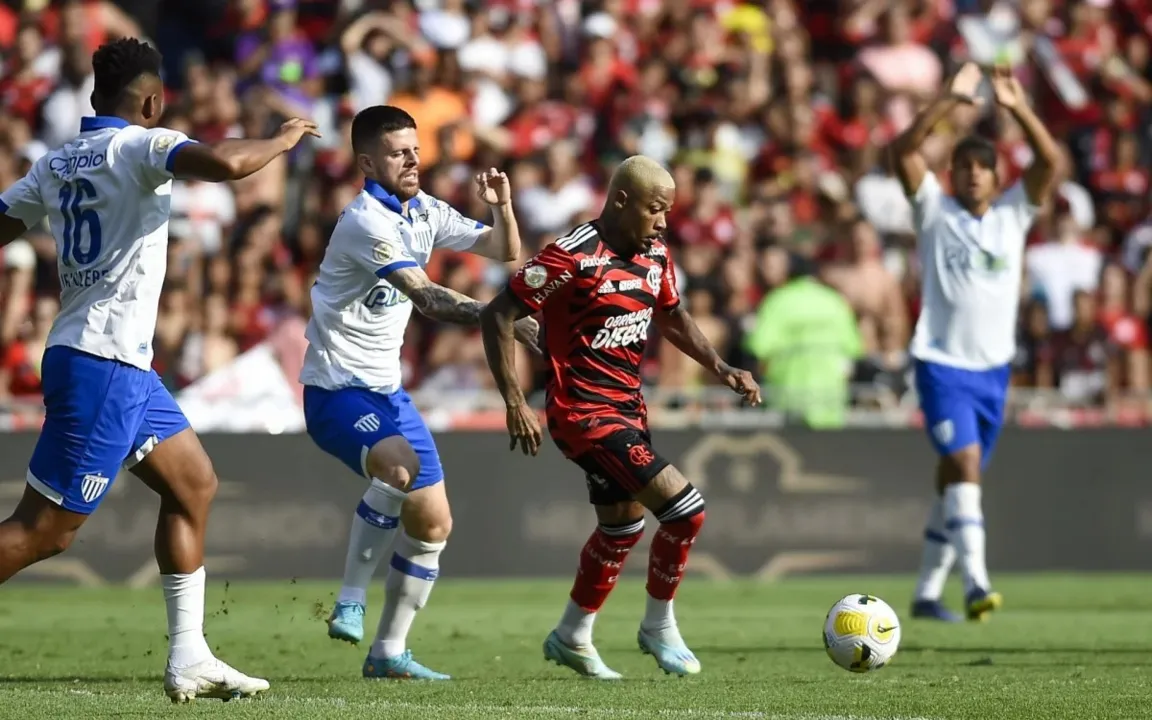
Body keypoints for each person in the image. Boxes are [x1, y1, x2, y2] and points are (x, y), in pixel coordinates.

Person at [0, 38, 319, 702]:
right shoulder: (142, 146)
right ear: (151, 101)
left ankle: (190, 656)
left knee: (194, 484)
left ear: (95, 96)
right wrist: (285, 137)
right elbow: (228, 163)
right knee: (43, 533)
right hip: (103, 363)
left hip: (113, 362)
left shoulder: (55, 163)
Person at [479, 155, 761, 679]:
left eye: (669, 211)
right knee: (685, 510)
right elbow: (499, 313)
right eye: (655, 209)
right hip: (583, 413)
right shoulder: (572, 256)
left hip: (628, 409)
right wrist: (515, 401)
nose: (663, 221)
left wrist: (721, 366)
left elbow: (671, 313)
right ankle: (658, 626)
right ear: (621, 201)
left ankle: (571, 634)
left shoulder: (655, 252)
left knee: (622, 527)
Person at [299, 105, 539, 680]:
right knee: (398, 469)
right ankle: (351, 598)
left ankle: (388, 653)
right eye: (398, 151)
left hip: (388, 393)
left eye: (415, 148)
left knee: (433, 524)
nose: (412, 159)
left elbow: (502, 251)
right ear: (366, 162)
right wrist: (498, 317)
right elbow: (429, 298)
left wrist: (502, 206)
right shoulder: (364, 222)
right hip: (336, 389)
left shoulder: (424, 210)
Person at [890, 63, 1058, 622]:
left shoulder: (1014, 214)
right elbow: (903, 152)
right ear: (952, 173)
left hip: (994, 370)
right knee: (964, 464)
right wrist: (948, 98)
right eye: (962, 167)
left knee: (952, 478)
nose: (972, 175)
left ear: (996, 175)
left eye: (982, 168)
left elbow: (1053, 162)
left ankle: (924, 594)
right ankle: (977, 584)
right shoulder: (934, 211)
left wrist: (1016, 107)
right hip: (940, 362)